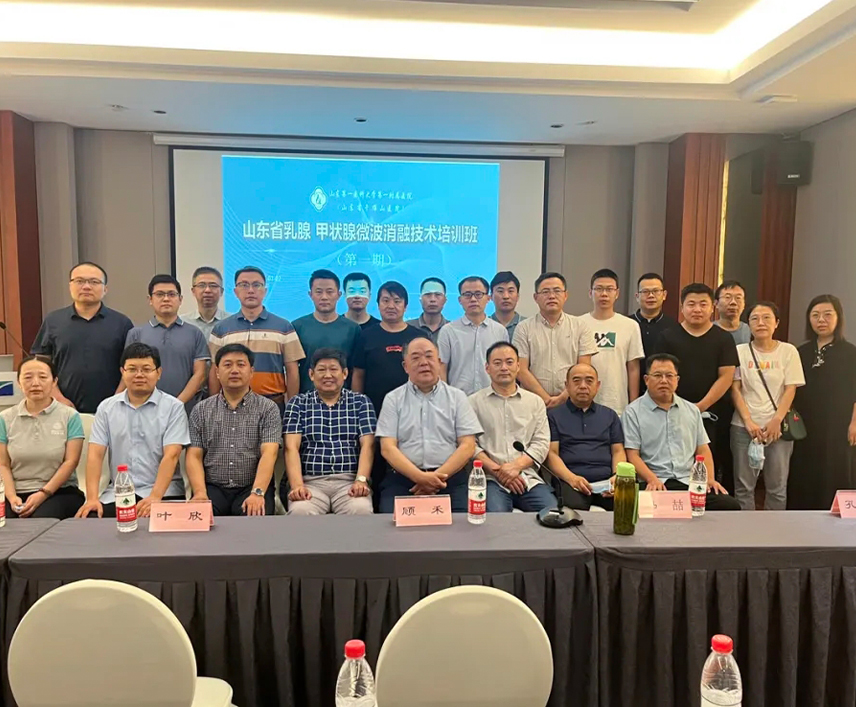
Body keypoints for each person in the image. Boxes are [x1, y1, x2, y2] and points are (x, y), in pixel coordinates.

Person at [75, 343, 190, 519]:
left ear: (158, 373)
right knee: (91, 520)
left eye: (146, 369)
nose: (139, 375)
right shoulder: (107, 408)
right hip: (119, 493)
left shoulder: (173, 408)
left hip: (164, 493)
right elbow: (95, 455)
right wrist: (91, 499)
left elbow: (171, 455)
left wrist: (155, 497)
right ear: (122, 372)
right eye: (132, 369)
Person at [375, 337, 482, 513]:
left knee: (463, 526)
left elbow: (468, 445)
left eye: (429, 356)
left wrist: (435, 479)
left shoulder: (457, 397)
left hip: (450, 480)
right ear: (405, 366)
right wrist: (420, 478)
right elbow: (387, 448)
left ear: (439, 362)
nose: (424, 362)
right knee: (389, 522)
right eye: (416, 358)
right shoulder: (393, 399)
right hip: (403, 480)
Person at [623, 354, 739, 510]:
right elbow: (632, 455)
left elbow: (703, 449)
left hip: (688, 482)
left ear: (677, 380)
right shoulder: (633, 412)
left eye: (669, 376)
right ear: (646, 379)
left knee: (729, 505)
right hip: (654, 483)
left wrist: (709, 479)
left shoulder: (692, 410)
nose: (664, 380)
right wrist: (652, 479)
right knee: (634, 506)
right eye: (657, 375)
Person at [654, 283, 738, 489]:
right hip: (671, 413)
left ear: (713, 307)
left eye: (703, 304)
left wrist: (699, 407)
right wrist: (682, 408)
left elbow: (726, 377)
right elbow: (660, 375)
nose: (697, 309)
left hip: (714, 414)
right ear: (682, 307)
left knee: (711, 466)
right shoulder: (667, 336)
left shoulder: (724, 338)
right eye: (691, 304)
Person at [186, 344, 281, 516]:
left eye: (241, 364)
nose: (234, 370)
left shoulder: (268, 408)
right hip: (212, 487)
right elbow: (194, 455)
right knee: (199, 519)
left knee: (254, 519)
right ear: (217, 372)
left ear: (251, 372)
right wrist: (200, 493)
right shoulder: (201, 410)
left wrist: (257, 492)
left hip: (252, 486)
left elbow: (270, 453)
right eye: (228, 365)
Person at [351, 281, 423, 507]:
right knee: (376, 462)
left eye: (397, 301)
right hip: (373, 411)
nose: (391, 305)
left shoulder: (417, 336)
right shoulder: (365, 335)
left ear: (406, 306)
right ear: (378, 304)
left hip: (412, 412)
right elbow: (358, 374)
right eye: (385, 300)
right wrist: (356, 407)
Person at [31, 262, 133, 413]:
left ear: (105, 289)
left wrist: (117, 398)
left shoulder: (122, 323)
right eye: (79, 281)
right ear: (70, 286)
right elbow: (41, 364)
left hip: (113, 410)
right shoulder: (53, 321)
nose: (86, 287)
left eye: (94, 282)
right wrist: (57, 397)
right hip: (62, 409)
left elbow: (131, 366)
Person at [730, 302, 804, 511]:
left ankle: (773, 530)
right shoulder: (739, 351)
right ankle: (746, 530)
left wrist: (776, 420)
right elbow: (735, 388)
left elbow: (790, 389)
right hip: (743, 428)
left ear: (777, 323)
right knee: (744, 487)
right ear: (748, 324)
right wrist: (748, 421)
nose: (760, 323)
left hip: (777, 429)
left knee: (777, 488)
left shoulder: (788, 351)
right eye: (754, 318)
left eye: (766, 318)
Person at [284, 348, 376, 515]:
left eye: (333, 369)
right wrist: (297, 486)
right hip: (310, 482)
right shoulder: (298, 404)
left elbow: (368, 445)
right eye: (321, 370)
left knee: (361, 509)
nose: (328, 375)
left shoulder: (361, 402)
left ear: (345, 373)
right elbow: (291, 447)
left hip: (349, 481)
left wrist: (361, 480)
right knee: (300, 511)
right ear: (311, 374)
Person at [468, 342, 556, 513]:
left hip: (528, 478)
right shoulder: (473, 403)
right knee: (496, 520)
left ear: (518, 366)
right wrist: (499, 472)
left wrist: (516, 467)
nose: (504, 368)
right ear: (487, 368)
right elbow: (471, 445)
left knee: (553, 515)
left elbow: (541, 443)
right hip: (491, 480)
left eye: (509, 362)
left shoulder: (535, 402)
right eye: (497, 363)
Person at [788, 295, 856, 510]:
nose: (821, 320)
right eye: (815, 315)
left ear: (838, 318)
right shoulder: (800, 352)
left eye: (828, 315)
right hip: (805, 424)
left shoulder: (851, 352)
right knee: (805, 469)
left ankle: (837, 519)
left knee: (837, 468)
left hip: (839, 423)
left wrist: (854, 422)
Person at [208, 266, 305, 411]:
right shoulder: (221, 329)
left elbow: (292, 371)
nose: (250, 290)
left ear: (265, 291)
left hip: (273, 404)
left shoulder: (284, 327)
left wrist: (292, 408)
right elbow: (214, 371)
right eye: (244, 285)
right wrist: (213, 407)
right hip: (230, 406)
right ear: (235, 291)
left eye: (256, 285)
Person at [0, 356, 85, 519]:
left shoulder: (70, 416)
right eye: (28, 377)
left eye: (43, 377)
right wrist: (11, 497)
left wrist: (43, 493)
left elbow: (71, 462)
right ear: (18, 382)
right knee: (6, 524)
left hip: (59, 492)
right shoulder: (5, 418)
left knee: (39, 522)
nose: (35, 383)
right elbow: (3, 464)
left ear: (54, 382)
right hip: (15, 492)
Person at [124, 275, 210, 413]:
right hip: (144, 410)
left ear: (180, 299)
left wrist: (176, 404)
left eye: (171, 294)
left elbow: (200, 374)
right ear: (150, 300)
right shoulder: (136, 334)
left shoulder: (194, 333)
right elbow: (130, 373)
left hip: (184, 410)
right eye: (159, 294)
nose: (166, 299)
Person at [546, 363, 625, 511]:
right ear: (567, 385)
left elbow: (618, 451)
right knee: (573, 509)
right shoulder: (553, 416)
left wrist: (617, 477)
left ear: (598, 385)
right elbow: (552, 453)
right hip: (570, 480)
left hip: (606, 480)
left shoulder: (610, 415)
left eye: (589, 381)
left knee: (625, 503)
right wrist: (572, 478)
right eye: (576, 381)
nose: (583, 386)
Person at [513, 272, 597, 409]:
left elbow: (584, 369)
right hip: (533, 403)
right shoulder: (523, 328)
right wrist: (545, 399)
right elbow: (521, 369)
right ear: (535, 297)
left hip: (571, 403)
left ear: (566, 295)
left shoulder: (580, 326)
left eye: (557, 291)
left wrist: (563, 397)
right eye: (545, 292)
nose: (551, 296)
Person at [580, 268, 644, 415]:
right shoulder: (578, 324)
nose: (604, 294)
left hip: (618, 403)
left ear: (617, 293)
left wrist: (634, 404)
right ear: (590, 293)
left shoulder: (630, 325)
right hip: (584, 402)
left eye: (609, 289)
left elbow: (633, 368)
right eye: (599, 289)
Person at [292, 269, 360, 393]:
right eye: (319, 292)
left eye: (329, 292)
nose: (324, 297)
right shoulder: (297, 327)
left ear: (339, 295)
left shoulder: (353, 329)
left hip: (343, 399)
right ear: (310, 294)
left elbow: (356, 370)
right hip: (306, 398)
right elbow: (292, 369)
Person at [438, 276, 508, 395]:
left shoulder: (500, 331)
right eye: (467, 295)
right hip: (458, 399)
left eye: (478, 294)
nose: (473, 299)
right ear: (460, 300)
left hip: (492, 398)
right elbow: (441, 368)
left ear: (488, 298)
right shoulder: (448, 331)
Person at [631, 273, 678, 395]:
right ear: (637, 296)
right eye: (645, 292)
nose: (651, 296)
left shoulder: (674, 326)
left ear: (664, 295)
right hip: (629, 388)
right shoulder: (627, 324)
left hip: (662, 389)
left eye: (656, 291)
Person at [182, 266, 231, 339]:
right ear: (193, 291)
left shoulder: (231, 322)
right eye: (202, 285)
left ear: (221, 291)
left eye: (213, 286)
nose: (207, 290)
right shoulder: (182, 323)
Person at [406, 277, 449, 343]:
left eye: (438, 295)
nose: (432, 299)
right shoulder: (407, 328)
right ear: (420, 299)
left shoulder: (453, 329)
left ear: (445, 300)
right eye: (428, 294)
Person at [490, 271, 526, 342]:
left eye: (510, 291)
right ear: (491, 296)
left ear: (517, 296)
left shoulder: (527, 325)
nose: (506, 296)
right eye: (500, 291)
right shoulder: (484, 325)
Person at [714, 280, 751, 345]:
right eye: (727, 297)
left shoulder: (751, 331)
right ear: (716, 303)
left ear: (744, 304)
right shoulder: (707, 330)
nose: (733, 302)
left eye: (738, 298)